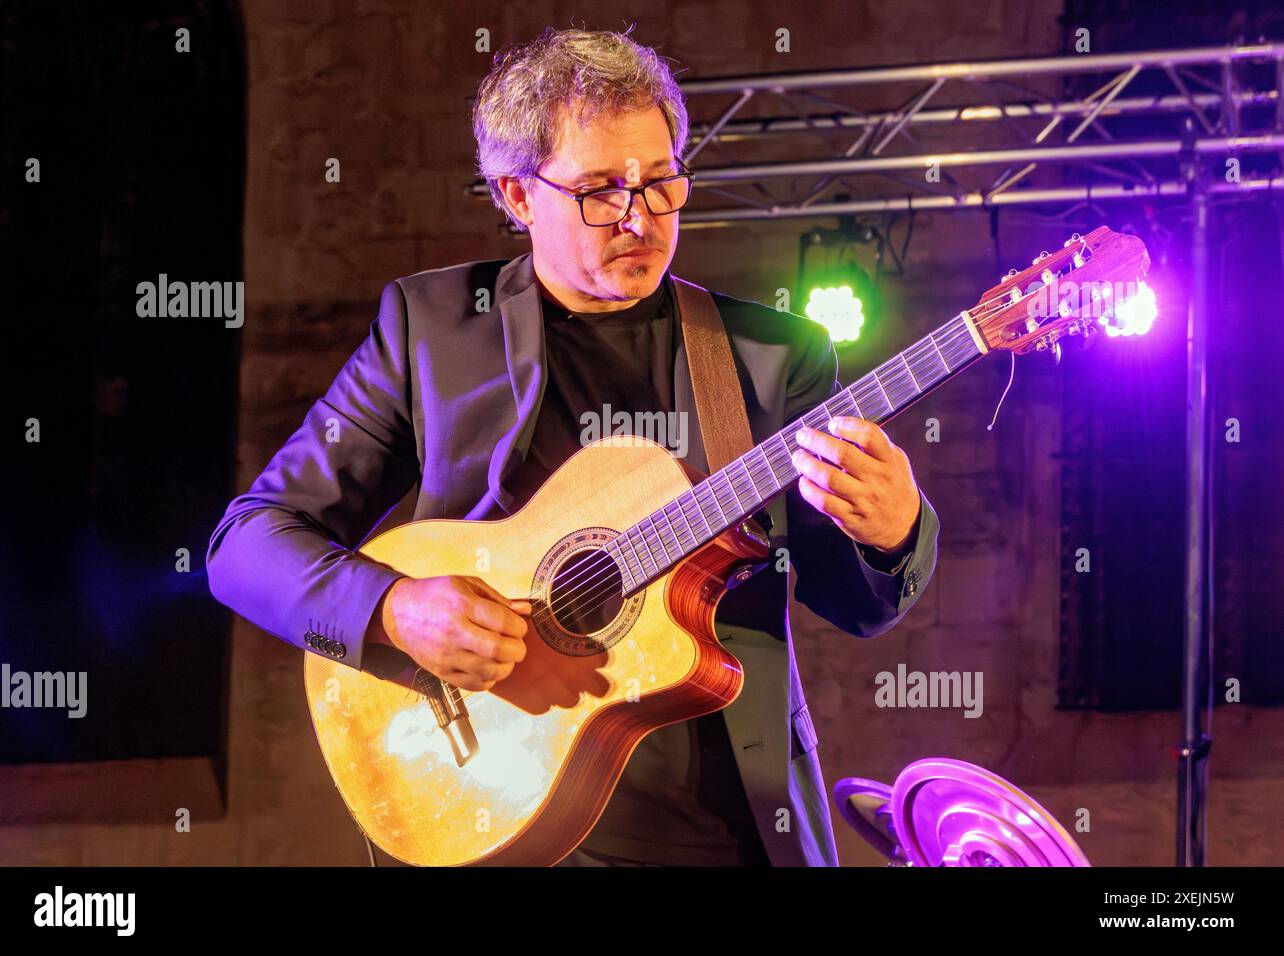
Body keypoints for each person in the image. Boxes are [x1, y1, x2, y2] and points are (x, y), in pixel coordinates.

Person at [206, 26, 938, 867]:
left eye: (660, 184)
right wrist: (392, 609)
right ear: (518, 195)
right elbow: (246, 545)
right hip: (494, 808)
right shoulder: (433, 331)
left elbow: (856, 603)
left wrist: (893, 531)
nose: (640, 218)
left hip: (729, 832)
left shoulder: (772, 355)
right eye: (599, 191)